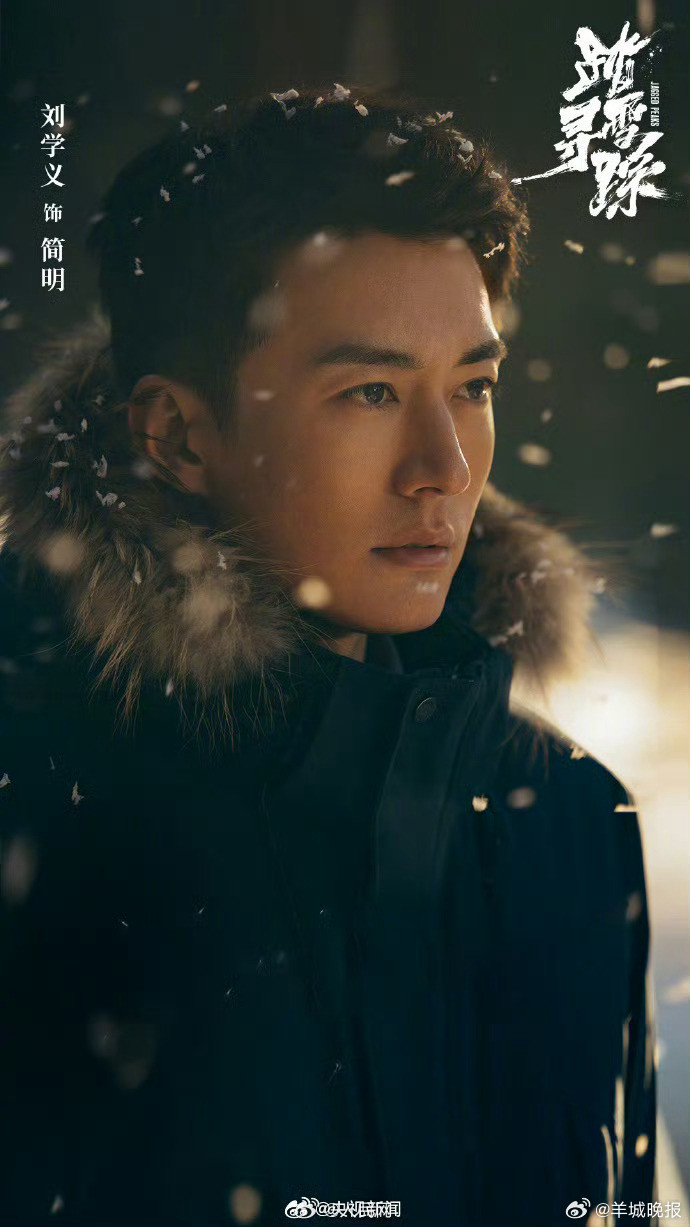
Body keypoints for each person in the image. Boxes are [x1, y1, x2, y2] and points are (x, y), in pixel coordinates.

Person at [0, 84, 659, 1227]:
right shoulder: (43, 830)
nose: (446, 467)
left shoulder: (567, 823)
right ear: (179, 435)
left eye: (474, 386)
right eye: (371, 391)